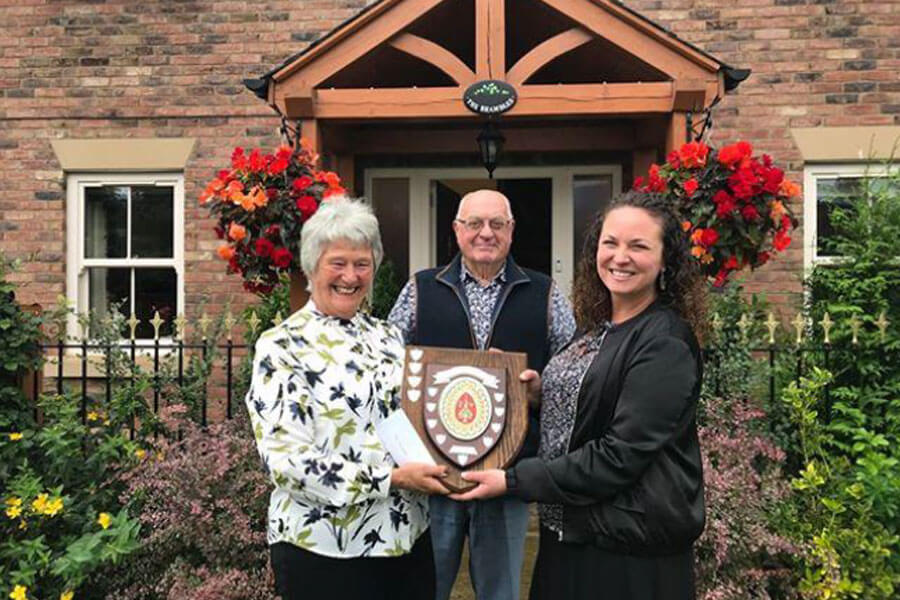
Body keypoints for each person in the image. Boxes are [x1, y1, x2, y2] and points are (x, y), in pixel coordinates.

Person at [455, 190, 707, 600]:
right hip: (571, 536)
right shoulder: (598, 328)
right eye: (610, 243)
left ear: (666, 261)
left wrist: (514, 480)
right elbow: (594, 403)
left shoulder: (664, 342)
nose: (619, 257)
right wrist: (538, 393)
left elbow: (618, 455)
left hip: (626, 551)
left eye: (638, 246)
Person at [245, 198, 449, 600]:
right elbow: (287, 462)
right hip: (323, 547)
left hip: (405, 537)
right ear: (311, 266)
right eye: (337, 263)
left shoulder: (387, 337)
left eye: (362, 263)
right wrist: (389, 479)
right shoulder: (282, 346)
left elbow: (411, 420)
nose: (350, 276)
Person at [388, 189, 576, 600]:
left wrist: (540, 388)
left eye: (497, 224)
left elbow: (573, 377)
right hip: (432, 475)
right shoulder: (419, 289)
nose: (485, 233)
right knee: (424, 588)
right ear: (457, 231)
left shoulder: (546, 293)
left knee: (501, 592)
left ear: (511, 232)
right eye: (474, 223)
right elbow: (388, 368)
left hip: (505, 475)